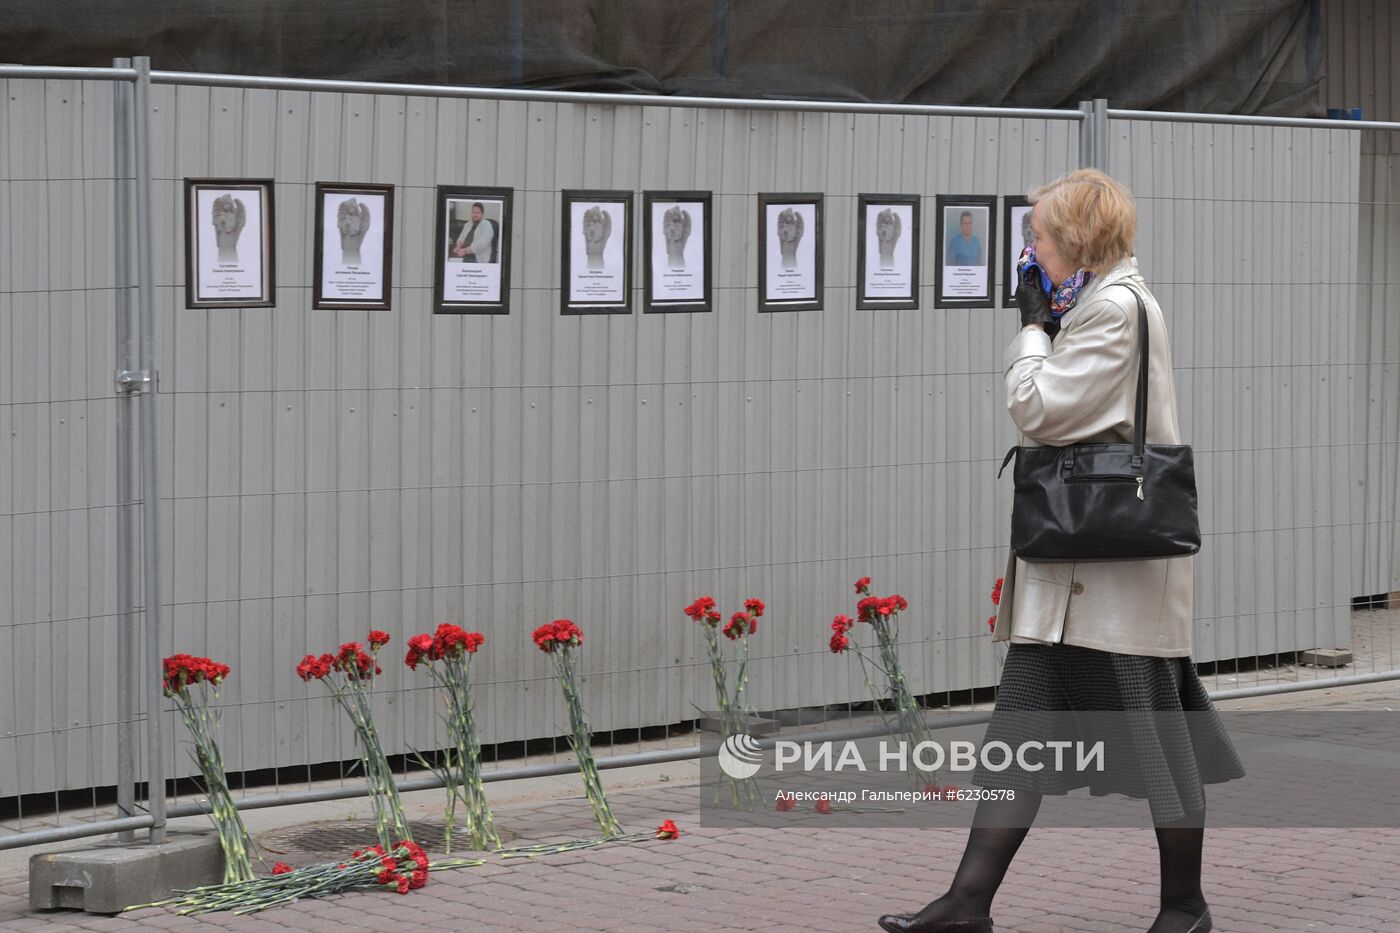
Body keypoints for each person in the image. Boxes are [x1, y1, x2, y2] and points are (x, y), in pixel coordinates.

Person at [877, 169, 1243, 933]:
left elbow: (1037, 406)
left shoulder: (1114, 310)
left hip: (1115, 575)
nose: (1028, 247)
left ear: (1075, 241)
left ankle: (1186, 906)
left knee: (1156, 743)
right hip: (1073, 573)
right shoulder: (1098, 302)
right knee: (1016, 738)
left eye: (1038, 234)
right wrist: (1049, 322)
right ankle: (968, 902)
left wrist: (1034, 330)